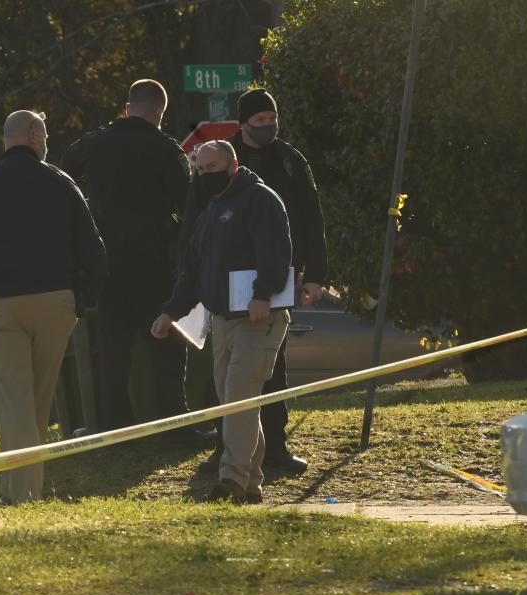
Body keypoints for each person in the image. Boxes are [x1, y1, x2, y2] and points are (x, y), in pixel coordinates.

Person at [0, 110, 107, 504]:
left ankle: (20, 495)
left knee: (14, 403)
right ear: (34, 136)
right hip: (55, 303)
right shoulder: (61, 183)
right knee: (35, 402)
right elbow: (93, 249)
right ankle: (20, 488)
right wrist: (81, 300)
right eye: (46, 133)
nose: (48, 139)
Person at [151, 141, 291, 504]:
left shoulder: (260, 200)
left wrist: (263, 295)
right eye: (200, 169)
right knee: (233, 400)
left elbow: (275, 252)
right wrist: (170, 312)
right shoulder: (210, 212)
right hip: (223, 319)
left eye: (212, 168)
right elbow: (192, 271)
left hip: (258, 317)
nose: (205, 175)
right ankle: (251, 483)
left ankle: (229, 481)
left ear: (232, 165)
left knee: (239, 399)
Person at [198, 87, 328, 474]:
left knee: (273, 366)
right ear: (243, 125)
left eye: (273, 120)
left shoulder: (290, 160)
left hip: (278, 273)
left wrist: (316, 276)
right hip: (226, 279)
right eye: (260, 121)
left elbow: (311, 217)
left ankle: (275, 447)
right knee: (225, 371)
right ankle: (227, 447)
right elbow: (197, 221)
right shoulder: (219, 161)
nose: (269, 126)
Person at [62, 79, 192, 437]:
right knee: (166, 347)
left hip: (107, 265)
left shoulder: (93, 143)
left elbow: (62, 177)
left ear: (127, 106)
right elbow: (190, 206)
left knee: (113, 351)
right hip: (154, 264)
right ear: (158, 112)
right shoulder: (166, 149)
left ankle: (114, 428)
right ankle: (173, 425)